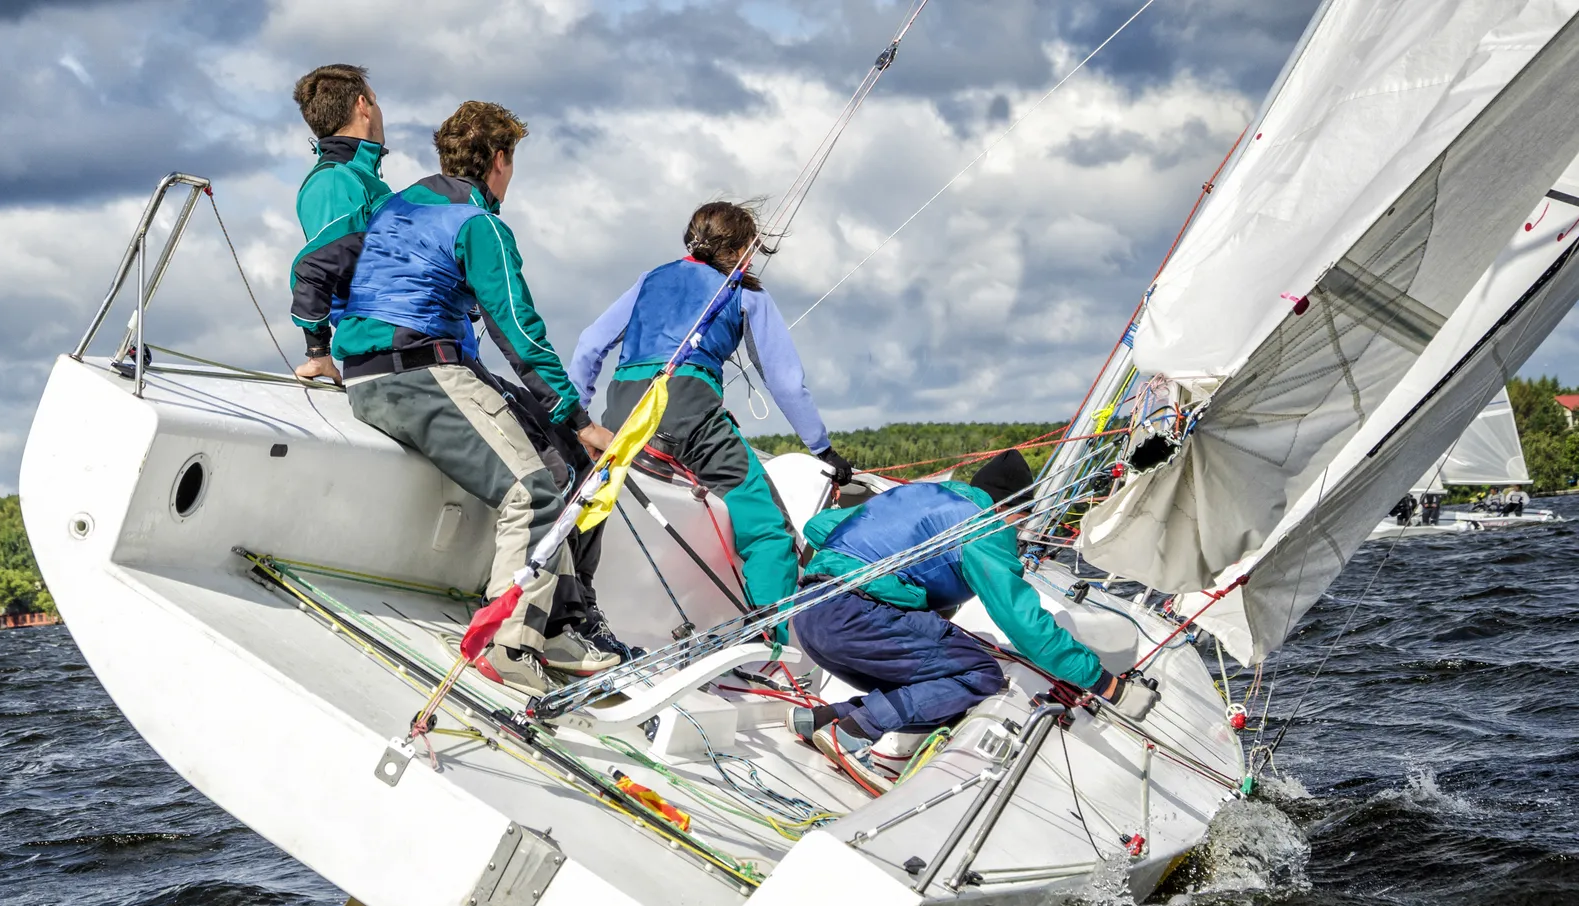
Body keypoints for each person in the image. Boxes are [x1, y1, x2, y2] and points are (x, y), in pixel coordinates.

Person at [333, 101, 619, 696]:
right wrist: (579, 417)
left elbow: (339, 275)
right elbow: (518, 331)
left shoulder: (395, 205)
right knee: (536, 490)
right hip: (419, 375)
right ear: (498, 160)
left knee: (554, 458)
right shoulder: (480, 224)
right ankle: (509, 642)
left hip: (365, 374)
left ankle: (554, 624)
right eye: (511, 163)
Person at [787, 449, 1160, 791]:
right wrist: (1109, 687)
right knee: (980, 675)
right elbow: (1025, 625)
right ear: (1011, 507)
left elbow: (819, 527)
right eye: (1022, 518)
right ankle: (853, 733)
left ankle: (822, 720)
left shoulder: (919, 495)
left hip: (808, 612)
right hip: (855, 618)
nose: (1019, 529)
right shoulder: (985, 527)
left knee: (934, 690)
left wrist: (903, 565)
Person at [568, 202, 853, 635]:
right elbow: (786, 382)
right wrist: (823, 448)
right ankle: (771, 645)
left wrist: (577, 417)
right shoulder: (747, 293)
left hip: (624, 407)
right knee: (770, 530)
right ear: (740, 248)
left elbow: (590, 346)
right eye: (751, 249)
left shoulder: (651, 279)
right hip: (688, 408)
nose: (753, 259)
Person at [288, 64, 393, 384]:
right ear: (363, 105)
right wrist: (318, 352)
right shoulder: (334, 180)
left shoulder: (359, 177)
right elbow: (322, 267)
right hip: (385, 354)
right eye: (376, 101)